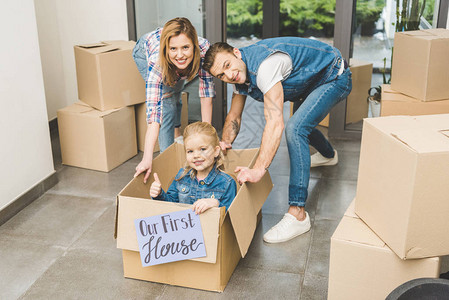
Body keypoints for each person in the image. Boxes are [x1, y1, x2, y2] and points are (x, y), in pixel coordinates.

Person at [203, 37, 352, 243]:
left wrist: (259, 169)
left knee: (295, 128)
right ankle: (329, 155)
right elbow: (234, 117)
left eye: (228, 66)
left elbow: (274, 123)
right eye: (222, 75)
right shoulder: (240, 73)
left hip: (334, 76)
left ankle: (298, 213)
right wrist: (224, 142)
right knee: (302, 124)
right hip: (310, 81)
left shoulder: (265, 67)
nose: (229, 75)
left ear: (236, 53)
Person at [133, 17, 216, 184]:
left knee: (176, 91)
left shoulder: (205, 50)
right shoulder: (157, 65)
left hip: (171, 63)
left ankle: (177, 133)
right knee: (168, 101)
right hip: (143, 50)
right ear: (167, 49)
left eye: (185, 47)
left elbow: (206, 95)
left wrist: (208, 141)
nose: (180, 55)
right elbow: (154, 116)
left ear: (194, 45)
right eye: (173, 49)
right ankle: (168, 157)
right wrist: (147, 158)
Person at [150, 122, 237, 214]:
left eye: (203, 149)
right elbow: (171, 205)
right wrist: (159, 194)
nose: (196, 155)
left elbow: (231, 217)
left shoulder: (227, 183)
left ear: (216, 151)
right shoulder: (182, 176)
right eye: (190, 151)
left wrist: (216, 203)